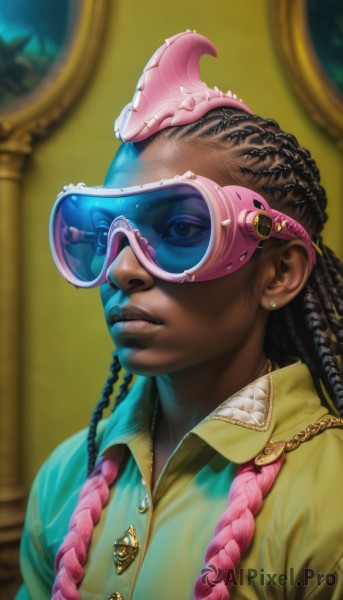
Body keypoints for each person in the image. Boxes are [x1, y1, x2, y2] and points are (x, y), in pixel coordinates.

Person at [17, 31, 343, 600]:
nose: (122, 271)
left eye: (182, 230)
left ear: (278, 273)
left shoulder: (331, 499)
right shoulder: (67, 476)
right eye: (102, 234)